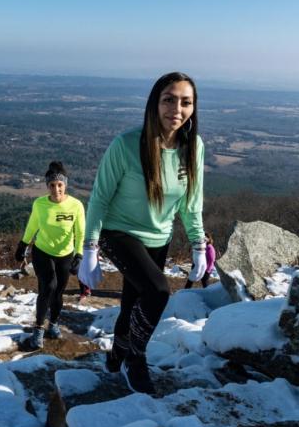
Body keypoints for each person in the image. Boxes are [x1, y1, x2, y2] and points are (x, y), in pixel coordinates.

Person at [78, 72, 208, 393]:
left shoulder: (193, 147)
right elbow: (100, 198)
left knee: (133, 304)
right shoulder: (126, 145)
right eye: (169, 100)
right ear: (154, 103)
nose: (176, 109)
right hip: (118, 231)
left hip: (159, 237)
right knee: (158, 291)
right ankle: (134, 359)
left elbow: (191, 204)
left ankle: (116, 355)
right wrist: (90, 248)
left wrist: (198, 244)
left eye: (186, 102)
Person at [15, 161, 85, 349]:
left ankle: (53, 323)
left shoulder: (76, 206)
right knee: (48, 287)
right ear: (47, 186)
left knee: (58, 293)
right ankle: (38, 329)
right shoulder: (40, 204)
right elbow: (33, 225)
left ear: (65, 184)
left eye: (59, 185)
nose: (56, 189)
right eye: (52, 185)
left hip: (65, 254)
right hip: (42, 252)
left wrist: (79, 255)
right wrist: (23, 244)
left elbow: (80, 233)